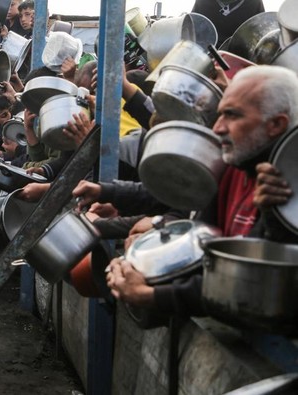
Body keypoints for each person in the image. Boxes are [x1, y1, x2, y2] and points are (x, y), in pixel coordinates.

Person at [106, 65, 298, 316]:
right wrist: (141, 259)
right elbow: (198, 242)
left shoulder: (283, 190)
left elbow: (250, 280)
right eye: (219, 115)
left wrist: (153, 296)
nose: (217, 128)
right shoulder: (231, 166)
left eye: (232, 115)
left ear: (275, 124)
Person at [192, 0, 265, 46]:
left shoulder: (254, 2)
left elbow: (262, 35)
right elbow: (191, 30)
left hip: (240, 57)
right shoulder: (202, 2)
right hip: (207, 54)